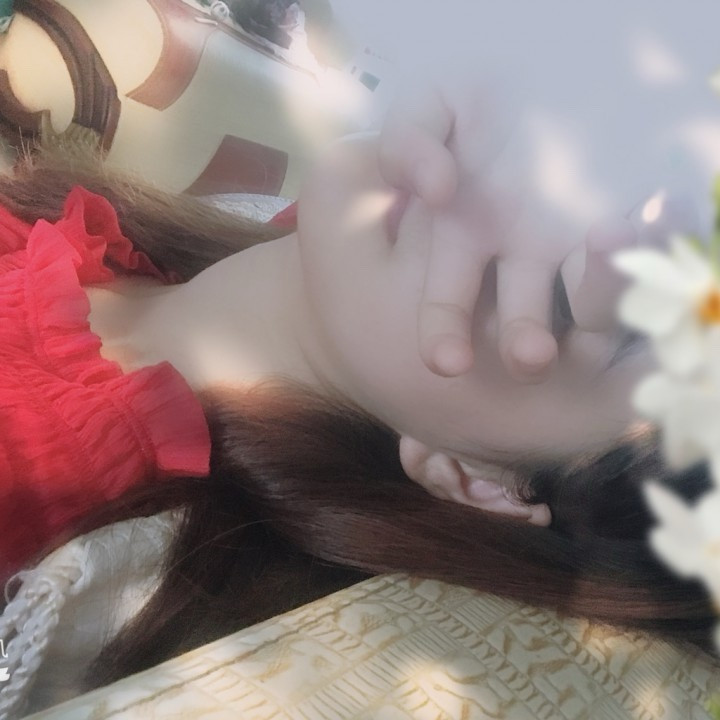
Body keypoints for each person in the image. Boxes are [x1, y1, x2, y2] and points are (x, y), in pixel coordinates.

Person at [0, 61, 717, 695]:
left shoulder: (33, 473)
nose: (525, 217)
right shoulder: (122, 246)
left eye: (557, 300)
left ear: (482, 487)